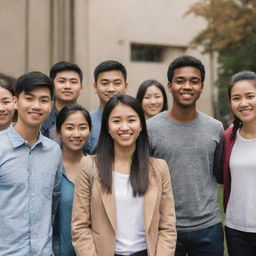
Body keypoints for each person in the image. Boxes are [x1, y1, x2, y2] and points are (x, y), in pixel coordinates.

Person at [72, 95, 176, 256]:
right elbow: (80, 227)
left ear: (141, 125)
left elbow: (167, 226)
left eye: (131, 120)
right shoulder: (89, 166)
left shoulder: (159, 168)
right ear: (107, 126)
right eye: (116, 121)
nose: (125, 127)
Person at [147, 55, 224, 256]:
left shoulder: (215, 128)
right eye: (180, 81)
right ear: (170, 86)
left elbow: (218, 173)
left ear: (202, 86)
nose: (187, 86)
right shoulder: (150, 129)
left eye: (194, 81)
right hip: (166, 227)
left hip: (208, 226)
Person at [0, 71, 63, 255]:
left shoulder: (54, 151)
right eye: (29, 98)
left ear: (51, 105)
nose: (36, 106)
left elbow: (53, 201)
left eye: (44, 100)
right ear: (15, 102)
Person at [223, 71, 256, 256]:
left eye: (250, 96)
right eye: (236, 98)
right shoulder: (228, 137)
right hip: (236, 230)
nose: (243, 103)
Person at [55, 104, 91, 256]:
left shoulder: (97, 168)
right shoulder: (50, 168)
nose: (76, 134)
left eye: (82, 127)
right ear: (58, 131)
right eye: (69, 128)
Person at [84, 60, 128, 154]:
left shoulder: (135, 121)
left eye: (117, 83)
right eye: (105, 83)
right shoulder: (86, 121)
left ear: (125, 86)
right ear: (95, 87)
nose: (111, 89)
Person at [41, 61, 83, 143]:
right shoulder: (42, 118)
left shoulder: (87, 119)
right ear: (52, 86)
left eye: (73, 82)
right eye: (62, 81)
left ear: (81, 88)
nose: (67, 86)